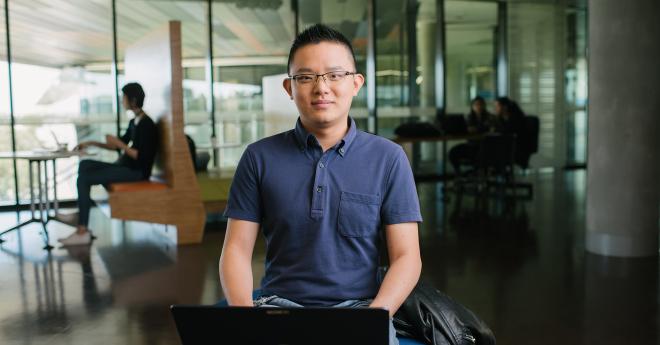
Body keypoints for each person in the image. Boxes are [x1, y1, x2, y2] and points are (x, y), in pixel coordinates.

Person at [219, 24, 422, 345]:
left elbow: (407, 256)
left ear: (356, 83)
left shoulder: (389, 158)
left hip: (361, 307)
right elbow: (236, 250)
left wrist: (375, 315)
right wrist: (247, 319)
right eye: (306, 77)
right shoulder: (259, 157)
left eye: (334, 75)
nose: (321, 87)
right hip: (279, 306)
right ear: (289, 87)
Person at [58, 82, 158, 246]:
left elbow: (142, 157)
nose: (121, 101)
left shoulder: (148, 124)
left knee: (83, 179)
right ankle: (81, 215)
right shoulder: (135, 121)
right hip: (125, 166)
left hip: (136, 172)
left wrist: (121, 145)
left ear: (132, 100)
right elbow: (117, 145)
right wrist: (90, 142)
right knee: (84, 165)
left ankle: (82, 229)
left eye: (123, 98)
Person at [449, 96, 493, 177]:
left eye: (480, 105)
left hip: (484, 147)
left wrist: (477, 129)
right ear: (472, 107)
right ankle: (459, 175)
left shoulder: (489, 117)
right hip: (472, 145)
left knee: (479, 154)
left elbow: (489, 128)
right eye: (476, 105)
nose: (478, 107)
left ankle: (479, 174)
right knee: (453, 152)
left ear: (484, 106)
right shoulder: (469, 117)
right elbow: (465, 129)